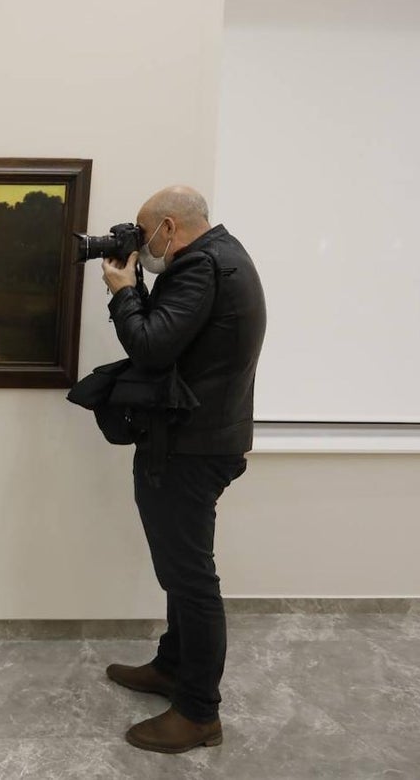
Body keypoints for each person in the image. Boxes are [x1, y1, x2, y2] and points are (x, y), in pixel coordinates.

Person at [99, 185, 266, 753]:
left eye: (145, 234)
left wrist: (124, 291)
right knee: (181, 571)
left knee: (191, 579)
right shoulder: (220, 258)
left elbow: (150, 345)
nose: (143, 245)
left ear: (169, 227)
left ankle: (199, 713)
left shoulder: (202, 270)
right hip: (200, 438)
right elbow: (174, 340)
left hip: (191, 447)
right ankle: (173, 667)